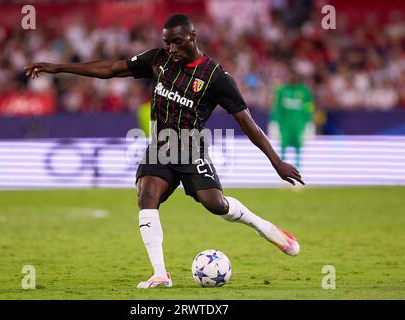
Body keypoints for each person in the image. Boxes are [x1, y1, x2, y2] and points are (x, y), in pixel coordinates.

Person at [24, 14, 304, 289]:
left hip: (189, 148)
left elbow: (247, 122)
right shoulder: (159, 59)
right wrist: (59, 67)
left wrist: (276, 162)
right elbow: (111, 69)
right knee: (147, 195)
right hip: (160, 147)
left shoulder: (215, 77)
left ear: (192, 37)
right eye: (168, 42)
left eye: (177, 42)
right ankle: (160, 274)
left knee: (215, 204)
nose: (172, 49)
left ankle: (263, 227)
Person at [269, 68, 315, 168]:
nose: (292, 78)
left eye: (294, 76)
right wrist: (274, 122)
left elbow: (309, 107)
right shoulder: (281, 90)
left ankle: (298, 167)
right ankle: (281, 166)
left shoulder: (304, 91)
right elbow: (276, 107)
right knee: (283, 144)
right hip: (285, 124)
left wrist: (309, 122)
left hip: (299, 124)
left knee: (298, 144)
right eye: (290, 76)